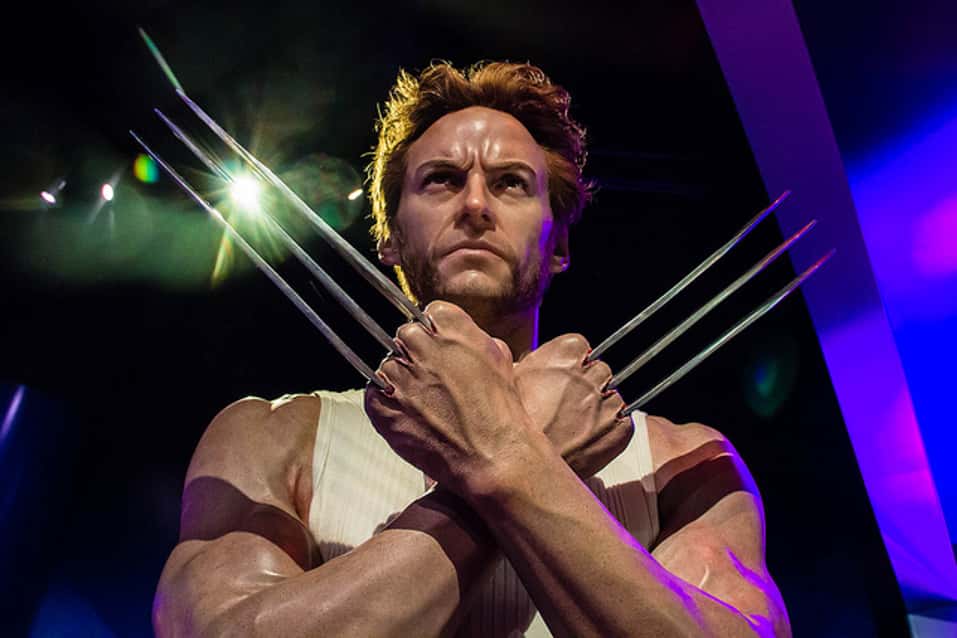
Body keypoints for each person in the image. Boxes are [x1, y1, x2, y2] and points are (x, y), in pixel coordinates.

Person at [153, 62, 791, 637]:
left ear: (559, 244)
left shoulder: (682, 461)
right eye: (441, 180)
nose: (476, 205)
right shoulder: (273, 436)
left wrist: (502, 458)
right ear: (390, 237)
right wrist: (523, 453)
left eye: (511, 183)